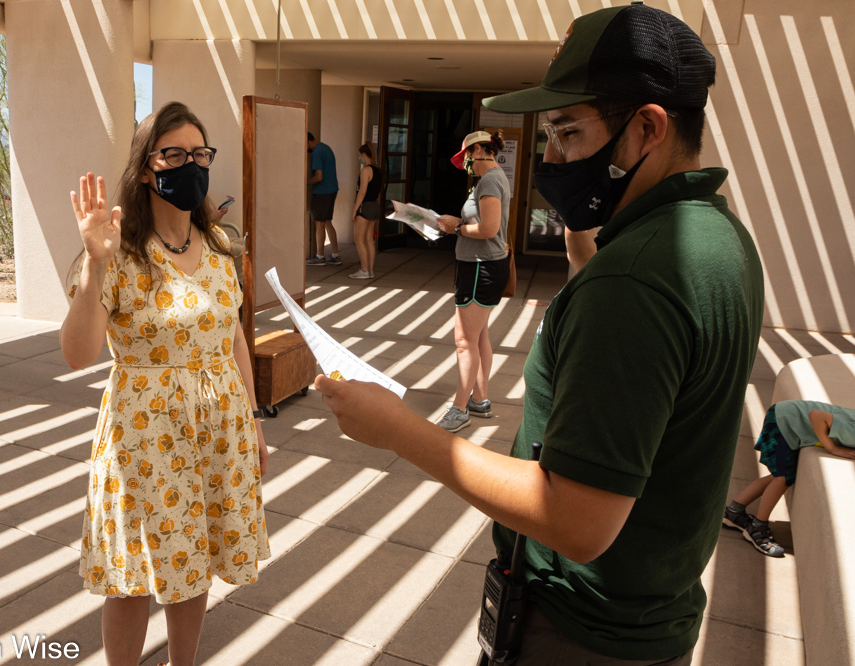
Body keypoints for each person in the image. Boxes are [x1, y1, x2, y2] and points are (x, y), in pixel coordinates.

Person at [315, 3, 764, 664]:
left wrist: (402, 432)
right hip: (652, 616)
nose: (551, 158)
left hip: (578, 632)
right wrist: (590, 220)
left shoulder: (634, 283)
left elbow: (576, 522)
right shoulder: (719, 238)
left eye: (568, 134)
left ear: (647, 128)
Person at [61, 101, 271, 666]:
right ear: (147, 167)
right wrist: (94, 264)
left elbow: (233, 340)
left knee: (195, 559)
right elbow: (78, 354)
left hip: (218, 427)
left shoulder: (223, 248)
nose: (189, 165)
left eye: (199, 153)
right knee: (131, 573)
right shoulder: (119, 252)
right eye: (173, 153)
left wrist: (252, 420)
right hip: (144, 436)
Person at [434, 130, 510, 433]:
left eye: (466, 156)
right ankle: (479, 400)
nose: (466, 162)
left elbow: (488, 229)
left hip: (480, 267)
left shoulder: (490, 180)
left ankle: (460, 408)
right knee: (478, 338)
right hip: (484, 266)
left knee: (464, 341)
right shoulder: (491, 179)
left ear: (479, 149)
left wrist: (457, 228)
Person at [724, 400, 855, 557]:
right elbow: (817, 416)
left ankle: (734, 512)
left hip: (788, 419)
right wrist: (831, 448)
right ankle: (756, 529)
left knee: (779, 476)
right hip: (784, 421)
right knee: (783, 478)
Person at [306, 132, 341, 266]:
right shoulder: (326, 148)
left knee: (319, 223)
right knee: (327, 222)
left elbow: (318, 177)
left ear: (307, 140)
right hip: (332, 189)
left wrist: (306, 183)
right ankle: (335, 255)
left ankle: (320, 257)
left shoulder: (317, 152)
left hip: (322, 191)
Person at [349, 143, 383, 280]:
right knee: (369, 239)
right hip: (374, 206)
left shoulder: (366, 170)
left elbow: (362, 192)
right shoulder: (378, 170)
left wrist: (354, 210)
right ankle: (370, 270)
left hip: (365, 207)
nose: (359, 158)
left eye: (359, 155)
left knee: (359, 239)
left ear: (363, 155)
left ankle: (364, 269)